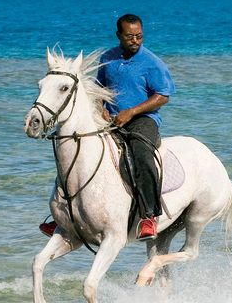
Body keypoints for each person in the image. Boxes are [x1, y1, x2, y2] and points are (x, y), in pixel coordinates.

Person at [41, 14, 175, 240]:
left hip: (143, 120)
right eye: (130, 36)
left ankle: (149, 216)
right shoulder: (108, 58)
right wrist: (101, 106)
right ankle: (63, 216)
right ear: (119, 35)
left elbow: (163, 96)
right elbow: (98, 89)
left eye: (139, 36)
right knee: (75, 151)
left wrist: (131, 112)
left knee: (141, 155)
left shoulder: (152, 63)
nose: (135, 40)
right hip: (110, 119)